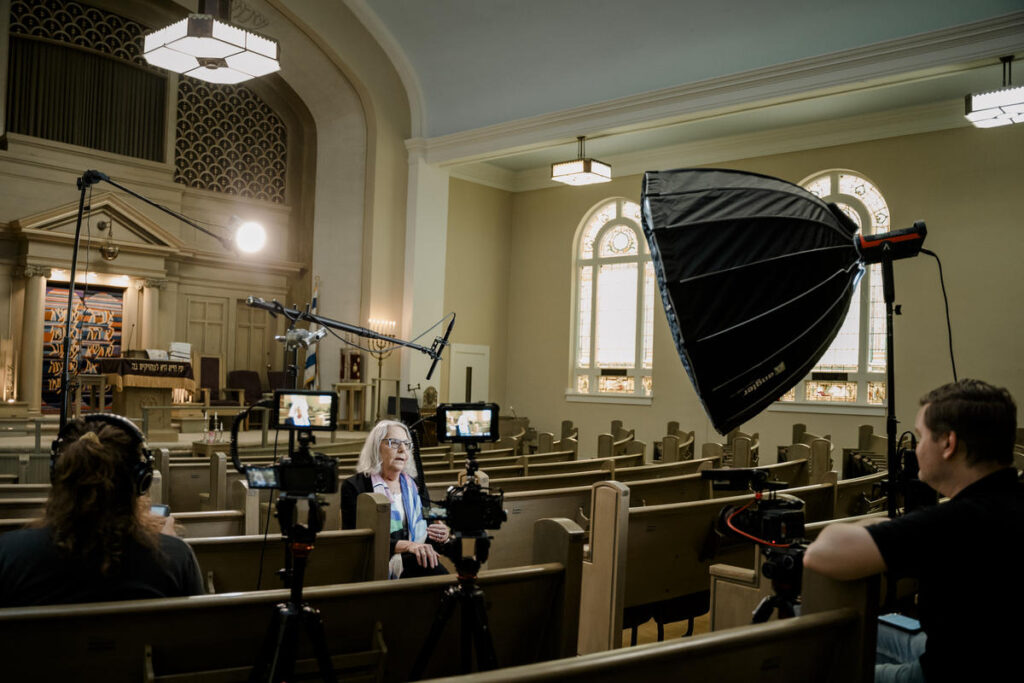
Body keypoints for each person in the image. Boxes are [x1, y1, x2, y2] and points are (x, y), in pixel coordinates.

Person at [803, 379, 1024, 683]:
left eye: (921, 437)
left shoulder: (958, 522)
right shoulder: (1007, 501)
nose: (915, 448)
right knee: (828, 623)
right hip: (962, 649)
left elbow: (820, 554)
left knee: (822, 672)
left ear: (948, 443)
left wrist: (883, 527)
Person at [0, 417, 205, 607]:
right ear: (141, 481)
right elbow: (201, 636)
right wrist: (165, 548)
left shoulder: (8, 556)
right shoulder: (176, 558)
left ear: (58, 477)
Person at [341, 420, 451, 579]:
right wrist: (409, 546)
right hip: (376, 564)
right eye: (394, 443)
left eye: (406, 444)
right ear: (376, 447)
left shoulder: (415, 484)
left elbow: (429, 513)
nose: (402, 449)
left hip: (417, 562)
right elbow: (355, 540)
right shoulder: (354, 486)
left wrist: (444, 535)